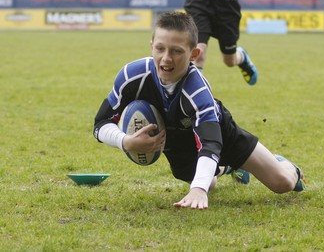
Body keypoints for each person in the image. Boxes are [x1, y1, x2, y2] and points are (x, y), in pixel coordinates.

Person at [93, 12, 304, 210]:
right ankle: (229, 168)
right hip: (177, 145)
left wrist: (197, 189)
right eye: (160, 48)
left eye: (176, 51)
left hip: (220, 134)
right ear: (151, 46)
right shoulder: (132, 76)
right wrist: (126, 142)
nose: (166, 58)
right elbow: (101, 123)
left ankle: (288, 167)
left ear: (194, 54)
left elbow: (211, 143)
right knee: (209, 182)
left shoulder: (197, 90)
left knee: (282, 183)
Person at [184, 0, 258, 85]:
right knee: (198, 53)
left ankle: (242, 56)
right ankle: (197, 95)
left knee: (229, 60)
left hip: (226, 2)